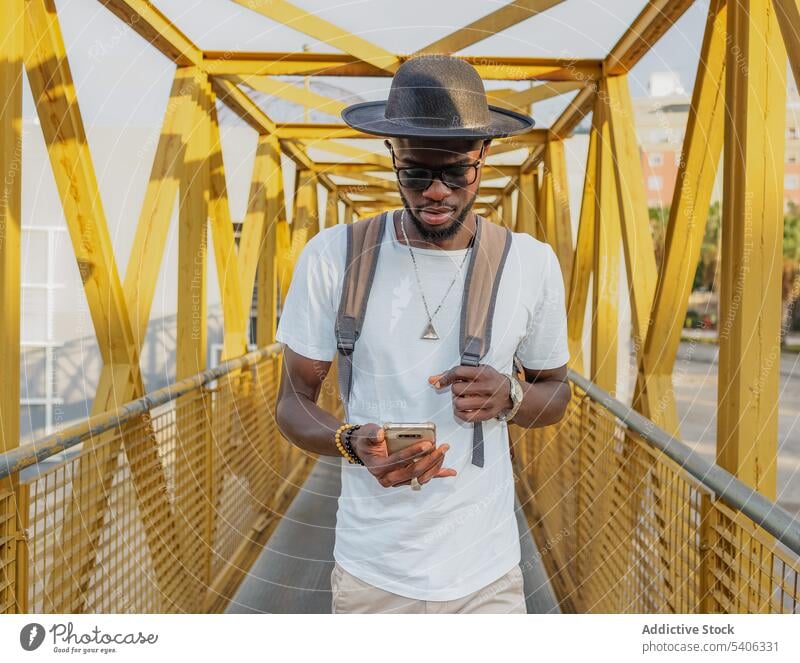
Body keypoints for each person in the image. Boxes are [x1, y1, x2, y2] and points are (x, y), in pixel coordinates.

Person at [274, 54, 571, 614]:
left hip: (487, 574)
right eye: (416, 172)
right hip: (373, 573)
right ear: (392, 157)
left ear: (482, 159)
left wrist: (511, 396)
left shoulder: (531, 264)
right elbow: (292, 402)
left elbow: (557, 392)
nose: (436, 191)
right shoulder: (335, 258)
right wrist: (350, 442)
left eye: (455, 172)